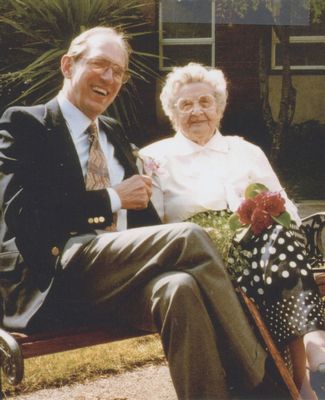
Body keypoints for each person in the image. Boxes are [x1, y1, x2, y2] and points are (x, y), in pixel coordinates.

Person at [0, 27, 280, 400]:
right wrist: (112, 198)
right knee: (186, 236)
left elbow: (145, 224)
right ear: (68, 65)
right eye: (100, 64)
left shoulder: (113, 132)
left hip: (119, 279)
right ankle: (263, 377)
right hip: (56, 279)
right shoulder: (26, 124)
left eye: (119, 71)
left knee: (178, 288)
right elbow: (24, 215)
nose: (110, 78)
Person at [140, 62, 325, 399]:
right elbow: (150, 229)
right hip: (199, 261)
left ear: (220, 108)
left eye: (205, 102)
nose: (197, 111)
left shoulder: (246, 150)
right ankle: (308, 370)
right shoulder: (154, 159)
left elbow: (289, 210)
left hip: (266, 256)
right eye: (186, 105)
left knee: (279, 236)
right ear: (172, 113)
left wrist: (266, 217)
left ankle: (306, 375)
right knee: (277, 253)